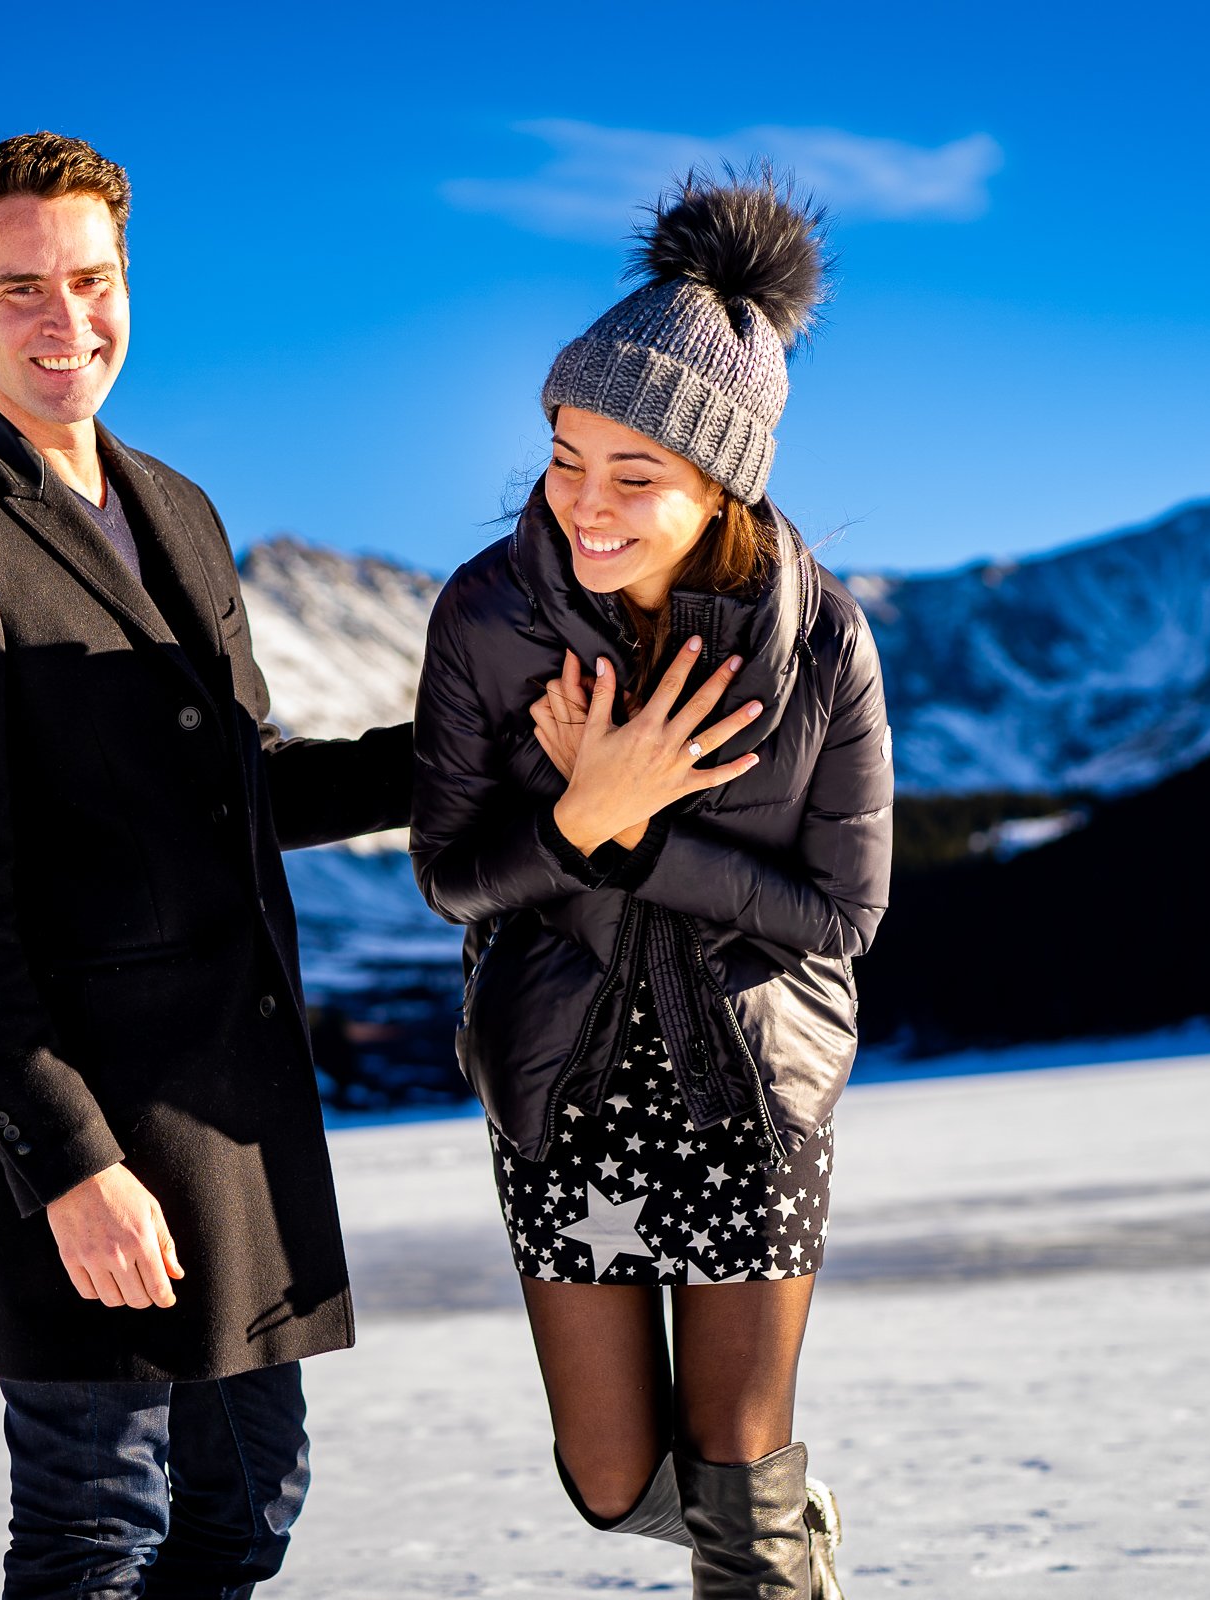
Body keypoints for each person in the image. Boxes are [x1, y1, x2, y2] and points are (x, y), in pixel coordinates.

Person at [0, 132, 413, 1600]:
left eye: (89, 281)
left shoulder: (179, 510)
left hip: (230, 1133)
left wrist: (465, 754)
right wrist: (73, 1167)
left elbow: (234, 794)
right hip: (89, 1148)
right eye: (19, 287)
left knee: (245, 1523)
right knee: (98, 1535)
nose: (65, 320)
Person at [410, 171, 891, 1598]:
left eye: (636, 475)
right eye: (566, 456)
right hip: (565, 1082)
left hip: (756, 1079)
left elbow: (844, 915)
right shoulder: (487, 619)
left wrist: (633, 831)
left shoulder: (820, 645)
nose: (584, 503)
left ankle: (770, 1541)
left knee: (736, 1476)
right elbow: (451, 875)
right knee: (612, 1481)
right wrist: (573, 820)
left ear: (721, 484)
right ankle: (787, 1533)